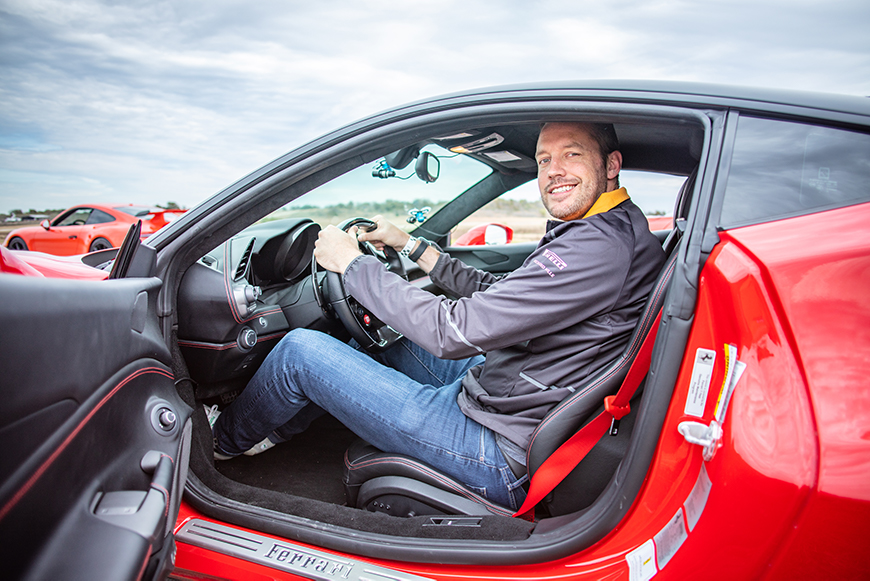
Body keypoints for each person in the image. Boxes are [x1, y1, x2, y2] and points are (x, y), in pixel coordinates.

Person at [209, 122, 666, 510]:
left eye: (572, 154)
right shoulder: (608, 232)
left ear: (610, 165)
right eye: (544, 160)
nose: (553, 171)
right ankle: (271, 431)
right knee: (382, 337)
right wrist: (411, 246)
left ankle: (220, 444)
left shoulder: (595, 249)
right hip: (512, 397)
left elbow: (452, 330)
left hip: (499, 448)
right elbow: (500, 294)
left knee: (299, 353)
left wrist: (352, 264)